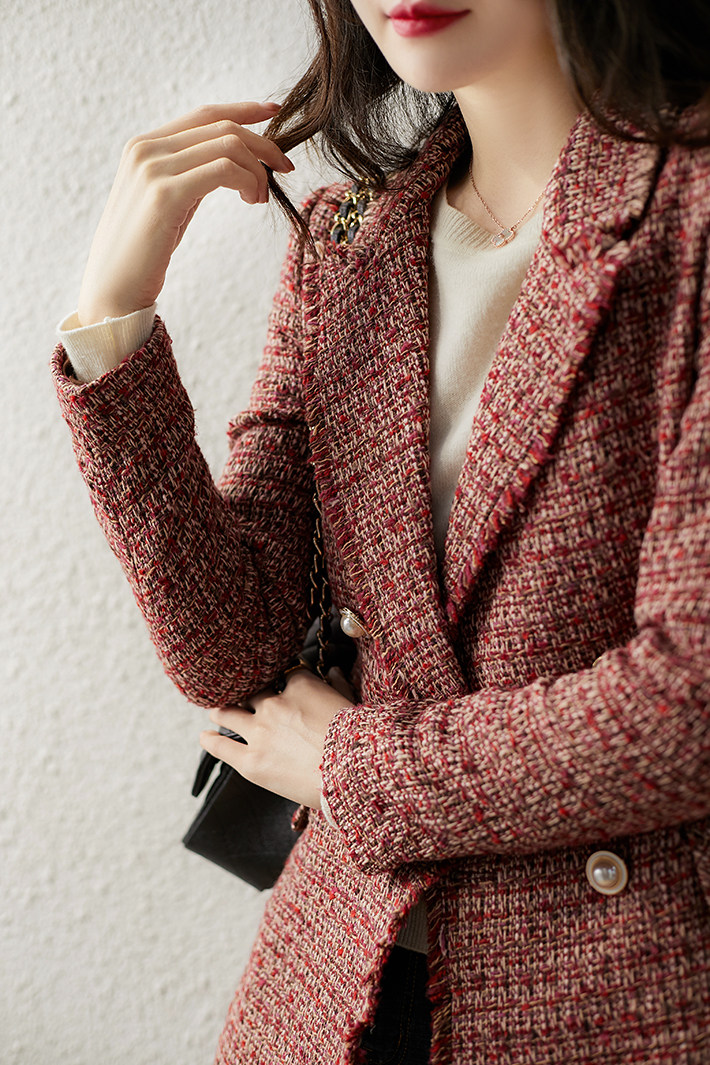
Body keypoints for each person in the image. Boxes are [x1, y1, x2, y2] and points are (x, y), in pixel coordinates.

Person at [52, 1, 710, 1062]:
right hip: (342, 982)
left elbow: (686, 705)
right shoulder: (348, 239)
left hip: (618, 990)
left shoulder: (687, 212)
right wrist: (109, 320)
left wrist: (353, 768)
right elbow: (234, 651)